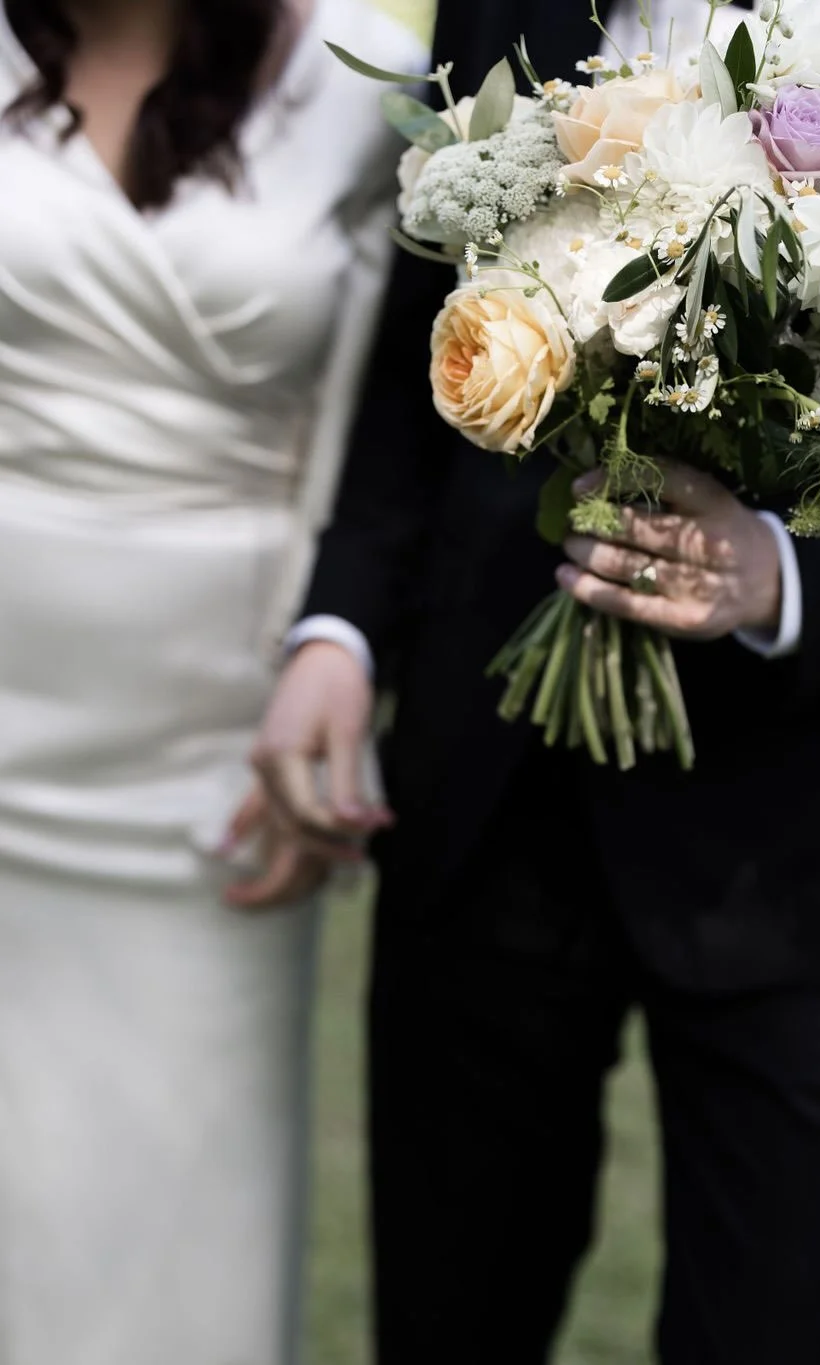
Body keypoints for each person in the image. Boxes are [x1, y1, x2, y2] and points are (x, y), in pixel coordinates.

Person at [253, 0, 820, 1361]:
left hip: (811, 840)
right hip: (489, 795)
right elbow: (420, 336)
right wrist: (341, 627)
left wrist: (781, 575)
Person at [0, 0, 422, 1362]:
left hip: (213, 764)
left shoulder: (371, 86)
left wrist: (336, 654)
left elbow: (382, 434)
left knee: (180, 1236)